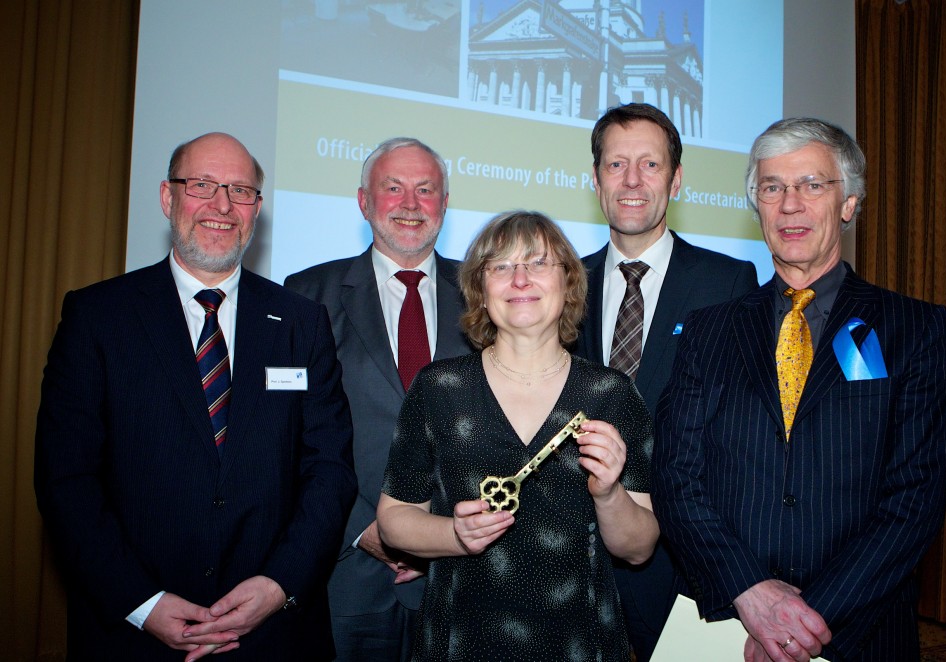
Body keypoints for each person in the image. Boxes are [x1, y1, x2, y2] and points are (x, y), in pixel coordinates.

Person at [34, 132, 357, 661]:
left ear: (256, 209)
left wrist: (279, 584)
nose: (222, 206)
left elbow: (330, 470)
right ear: (168, 197)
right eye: (202, 185)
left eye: (240, 190)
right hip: (134, 636)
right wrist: (141, 602)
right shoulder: (97, 317)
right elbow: (66, 478)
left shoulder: (301, 322)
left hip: (273, 635)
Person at [653, 117, 946, 662]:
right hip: (727, 623)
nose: (790, 204)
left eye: (812, 185)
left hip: (858, 632)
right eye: (772, 188)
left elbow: (914, 499)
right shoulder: (708, 331)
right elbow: (676, 477)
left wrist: (800, 624)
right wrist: (751, 595)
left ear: (849, 203)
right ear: (758, 207)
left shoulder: (913, 329)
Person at [376, 210, 660, 660]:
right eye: (501, 266)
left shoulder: (611, 394)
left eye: (538, 263)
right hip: (461, 637)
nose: (520, 279)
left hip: (579, 641)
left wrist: (609, 494)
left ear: (568, 283)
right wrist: (455, 534)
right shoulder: (438, 388)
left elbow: (639, 549)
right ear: (480, 290)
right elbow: (394, 519)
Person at [574, 102, 759, 659]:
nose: (632, 180)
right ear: (596, 180)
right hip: (573, 567)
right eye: (616, 165)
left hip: (681, 568)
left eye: (650, 165)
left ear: (676, 181)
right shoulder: (562, 283)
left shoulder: (728, 283)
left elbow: (743, 436)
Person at [285, 137, 473, 660]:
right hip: (350, 572)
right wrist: (364, 530)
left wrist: (438, 534)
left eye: (426, 190)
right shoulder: (306, 296)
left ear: (445, 203)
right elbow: (287, 434)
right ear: (364, 201)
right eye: (393, 188)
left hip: (461, 576)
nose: (411, 204)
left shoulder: (485, 295)